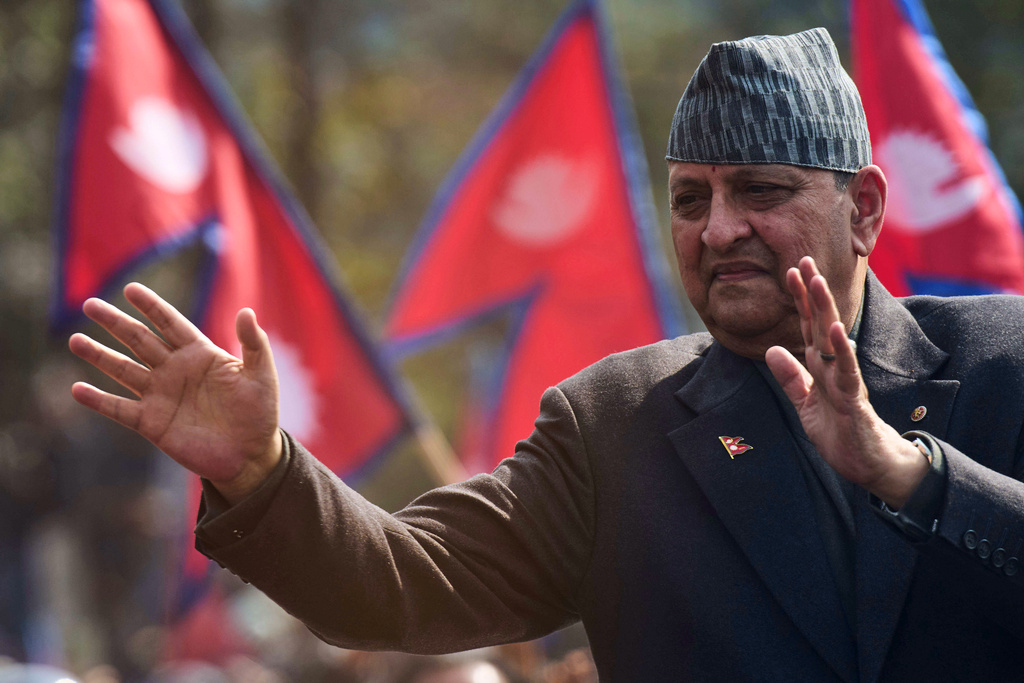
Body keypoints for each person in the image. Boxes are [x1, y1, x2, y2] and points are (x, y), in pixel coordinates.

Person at [69, 28, 1024, 681]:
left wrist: (914, 478)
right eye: (690, 199)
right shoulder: (619, 423)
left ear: (861, 208)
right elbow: (403, 583)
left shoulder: (1001, 365)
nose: (720, 227)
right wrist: (262, 472)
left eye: (760, 190)